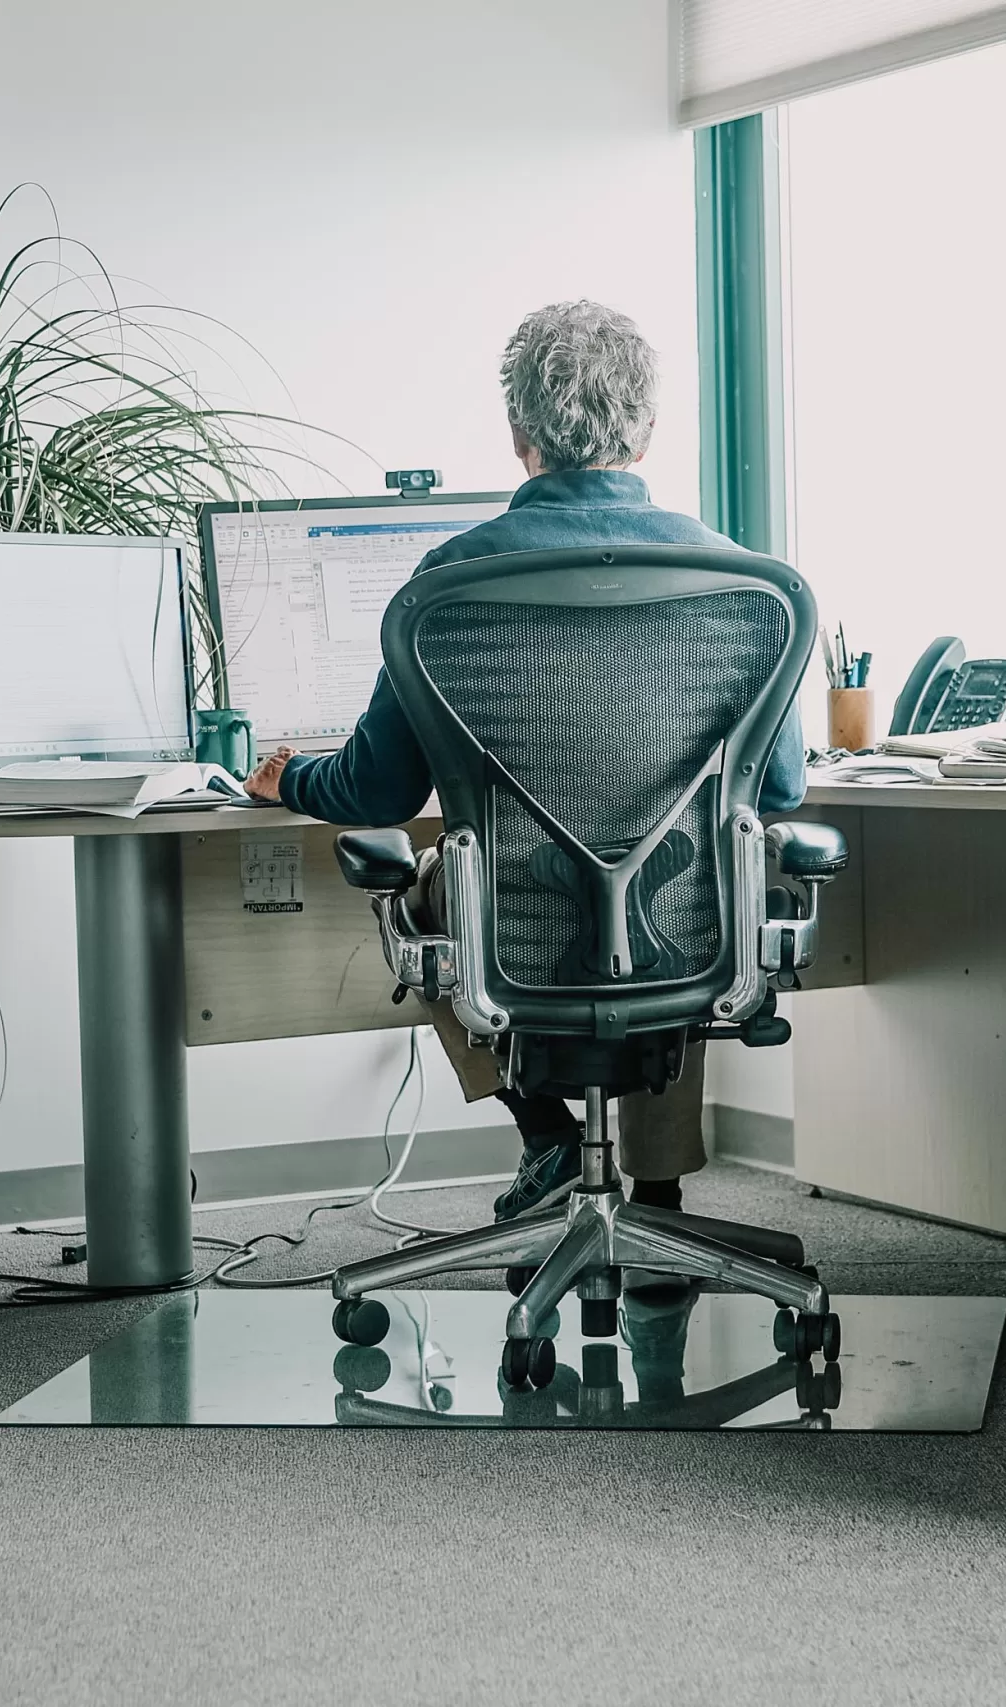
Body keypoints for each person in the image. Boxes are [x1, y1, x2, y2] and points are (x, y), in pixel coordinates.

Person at [243, 300, 806, 1223]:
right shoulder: (744, 582)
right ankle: (657, 1194)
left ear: (517, 435)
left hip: (517, 933)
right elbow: (779, 789)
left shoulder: (452, 584)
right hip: (691, 930)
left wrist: (284, 777)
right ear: (651, 427)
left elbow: (375, 788)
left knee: (431, 889)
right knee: (691, 865)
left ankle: (547, 1133)